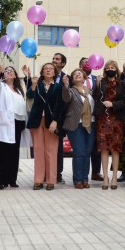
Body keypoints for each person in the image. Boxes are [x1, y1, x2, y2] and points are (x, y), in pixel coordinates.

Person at [26, 63, 63, 191]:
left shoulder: (58, 87)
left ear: (54, 72)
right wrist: (34, 84)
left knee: (51, 151)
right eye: (46, 69)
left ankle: (51, 180)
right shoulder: (37, 85)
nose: (48, 70)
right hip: (37, 121)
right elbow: (30, 95)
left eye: (51, 69)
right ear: (42, 72)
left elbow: (60, 105)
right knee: (38, 150)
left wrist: (55, 121)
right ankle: (38, 180)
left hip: (51, 122)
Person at [93, 60, 125, 190]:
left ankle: (114, 178)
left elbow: (124, 101)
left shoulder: (122, 84)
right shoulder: (101, 82)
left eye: (112, 67)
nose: (110, 69)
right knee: (104, 148)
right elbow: (95, 98)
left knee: (115, 149)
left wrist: (113, 104)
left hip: (116, 120)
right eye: (107, 67)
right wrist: (96, 85)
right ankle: (105, 177)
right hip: (102, 119)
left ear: (116, 69)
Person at [0, 65, 26, 189]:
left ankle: (11, 179)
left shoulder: (18, 90)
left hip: (17, 122)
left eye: (11, 71)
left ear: (15, 75)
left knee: (13, 153)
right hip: (4, 124)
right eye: (6, 71)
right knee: (1, 152)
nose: (9, 72)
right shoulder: (1, 87)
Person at [62, 69, 95, 188]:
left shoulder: (90, 91)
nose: (77, 75)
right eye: (74, 74)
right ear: (72, 79)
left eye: (79, 74)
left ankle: (85, 179)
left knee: (87, 153)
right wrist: (65, 86)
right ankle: (77, 180)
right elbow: (66, 98)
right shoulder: (71, 90)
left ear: (84, 77)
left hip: (90, 123)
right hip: (76, 124)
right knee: (79, 152)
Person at [79, 57, 102, 182]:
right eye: (83, 63)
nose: (86, 65)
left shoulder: (96, 79)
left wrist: (98, 85)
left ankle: (96, 172)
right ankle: (81, 175)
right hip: (80, 117)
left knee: (95, 146)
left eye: (88, 63)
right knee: (83, 148)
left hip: (95, 116)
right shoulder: (75, 79)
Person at [51, 52, 68, 183]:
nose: (54, 61)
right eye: (53, 58)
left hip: (61, 118)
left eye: (57, 59)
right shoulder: (45, 75)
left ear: (62, 63)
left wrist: (66, 86)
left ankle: (58, 173)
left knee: (58, 148)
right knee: (47, 147)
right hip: (46, 117)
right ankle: (47, 172)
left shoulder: (66, 79)